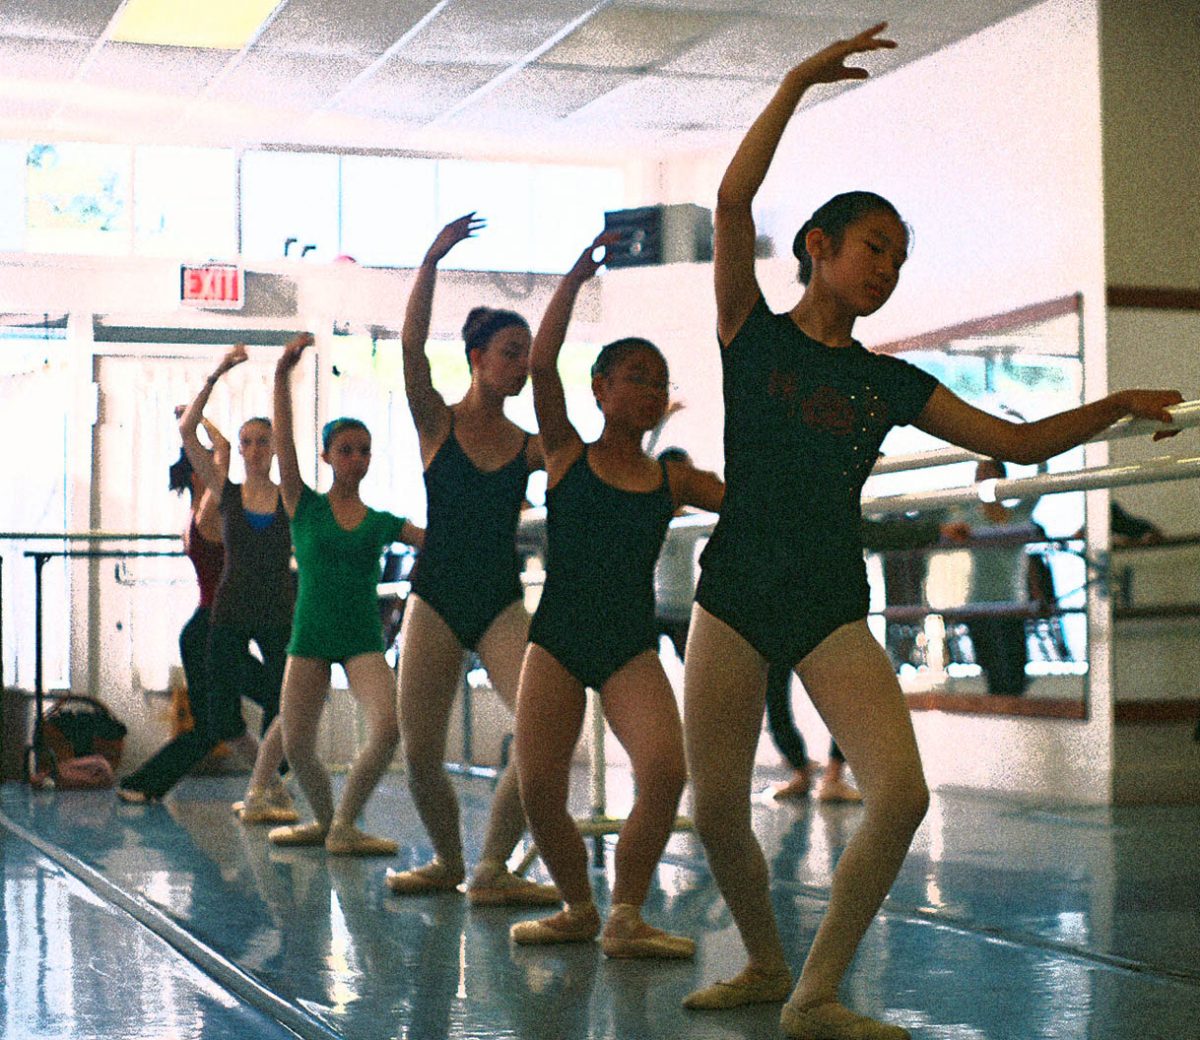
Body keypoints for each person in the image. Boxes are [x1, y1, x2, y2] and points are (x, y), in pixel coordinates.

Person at [682, 23, 1182, 1040]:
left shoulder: (887, 381)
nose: (888, 270)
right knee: (717, 807)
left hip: (825, 596)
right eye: (876, 248)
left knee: (900, 792)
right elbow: (732, 205)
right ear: (819, 248)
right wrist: (795, 82)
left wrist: (1116, 401)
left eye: (901, 261)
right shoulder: (752, 333)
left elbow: (1020, 439)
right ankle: (765, 961)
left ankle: (813, 992)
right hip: (732, 589)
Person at [511, 233, 724, 957]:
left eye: (658, 381)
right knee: (539, 782)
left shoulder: (673, 479)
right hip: (560, 638)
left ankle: (626, 913)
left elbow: (752, 503)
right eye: (634, 375)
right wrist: (577, 273)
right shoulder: (567, 452)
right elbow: (541, 363)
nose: (649, 389)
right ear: (601, 388)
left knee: (665, 768)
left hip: (629, 642)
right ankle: (577, 906)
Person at [379, 214, 557, 906]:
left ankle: (492, 867)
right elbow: (411, 346)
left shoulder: (529, 445)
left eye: (528, 355)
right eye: (511, 352)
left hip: (499, 602)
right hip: (436, 598)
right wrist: (429, 260)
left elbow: (591, 464)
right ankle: (449, 861)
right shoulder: (437, 422)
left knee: (537, 731)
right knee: (419, 748)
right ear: (478, 357)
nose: (521, 365)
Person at [119, 352, 295, 817]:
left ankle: (272, 785)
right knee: (222, 722)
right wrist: (215, 376)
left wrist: (199, 414)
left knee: (233, 722)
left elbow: (210, 443)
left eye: (263, 443)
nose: (250, 453)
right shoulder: (216, 505)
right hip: (216, 625)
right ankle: (269, 784)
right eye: (246, 445)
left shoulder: (204, 509)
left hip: (225, 622)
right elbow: (212, 446)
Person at [268, 332, 424, 856]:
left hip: (361, 636)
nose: (356, 459)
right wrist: (279, 377)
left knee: (387, 727)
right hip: (309, 632)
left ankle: (344, 823)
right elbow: (284, 445)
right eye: (346, 451)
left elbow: (433, 539)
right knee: (295, 742)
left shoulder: (381, 520)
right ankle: (329, 820)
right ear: (328, 456)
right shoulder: (303, 505)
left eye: (364, 452)